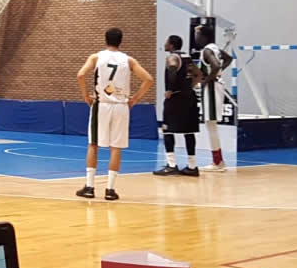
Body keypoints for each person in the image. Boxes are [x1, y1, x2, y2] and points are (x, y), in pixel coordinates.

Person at [75, 28, 154, 201]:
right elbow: (148, 79)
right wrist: (135, 99)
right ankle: (110, 190)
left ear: (105, 40)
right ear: (121, 41)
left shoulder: (96, 57)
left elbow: (80, 75)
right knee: (116, 147)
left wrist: (86, 96)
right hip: (121, 106)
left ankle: (89, 187)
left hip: (101, 104)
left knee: (93, 144)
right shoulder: (129, 60)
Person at [154, 35, 202, 177]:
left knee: (167, 131)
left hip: (176, 98)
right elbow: (199, 75)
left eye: (166, 42)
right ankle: (192, 166)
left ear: (171, 45)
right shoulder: (187, 57)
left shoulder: (172, 57)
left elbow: (172, 69)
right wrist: (189, 86)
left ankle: (171, 165)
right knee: (189, 132)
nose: (165, 44)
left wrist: (170, 89)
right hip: (190, 97)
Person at [196, 24, 232, 172]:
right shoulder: (215, 48)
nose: (196, 37)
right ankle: (218, 161)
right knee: (211, 125)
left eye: (197, 34)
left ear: (203, 36)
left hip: (211, 88)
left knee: (210, 124)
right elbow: (228, 59)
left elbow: (216, 65)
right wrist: (218, 72)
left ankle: (218, 162)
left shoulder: (207, 50)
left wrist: (207, 79)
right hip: (217, 85)